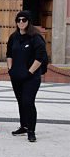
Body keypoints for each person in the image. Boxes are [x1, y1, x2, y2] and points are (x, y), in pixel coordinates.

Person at [7, 11, 47, 143]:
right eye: (18, 20)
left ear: (29, 21)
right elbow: (9, 54)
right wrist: (10, 69)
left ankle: (31, 131)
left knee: (28, 102)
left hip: (31, 77)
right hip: (16, 76)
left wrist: (29, 73)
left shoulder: (36, 37)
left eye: (24, 20)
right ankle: (23, 126)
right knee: (20, 101)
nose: (21, 22)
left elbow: (40, 57)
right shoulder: (14, 37)